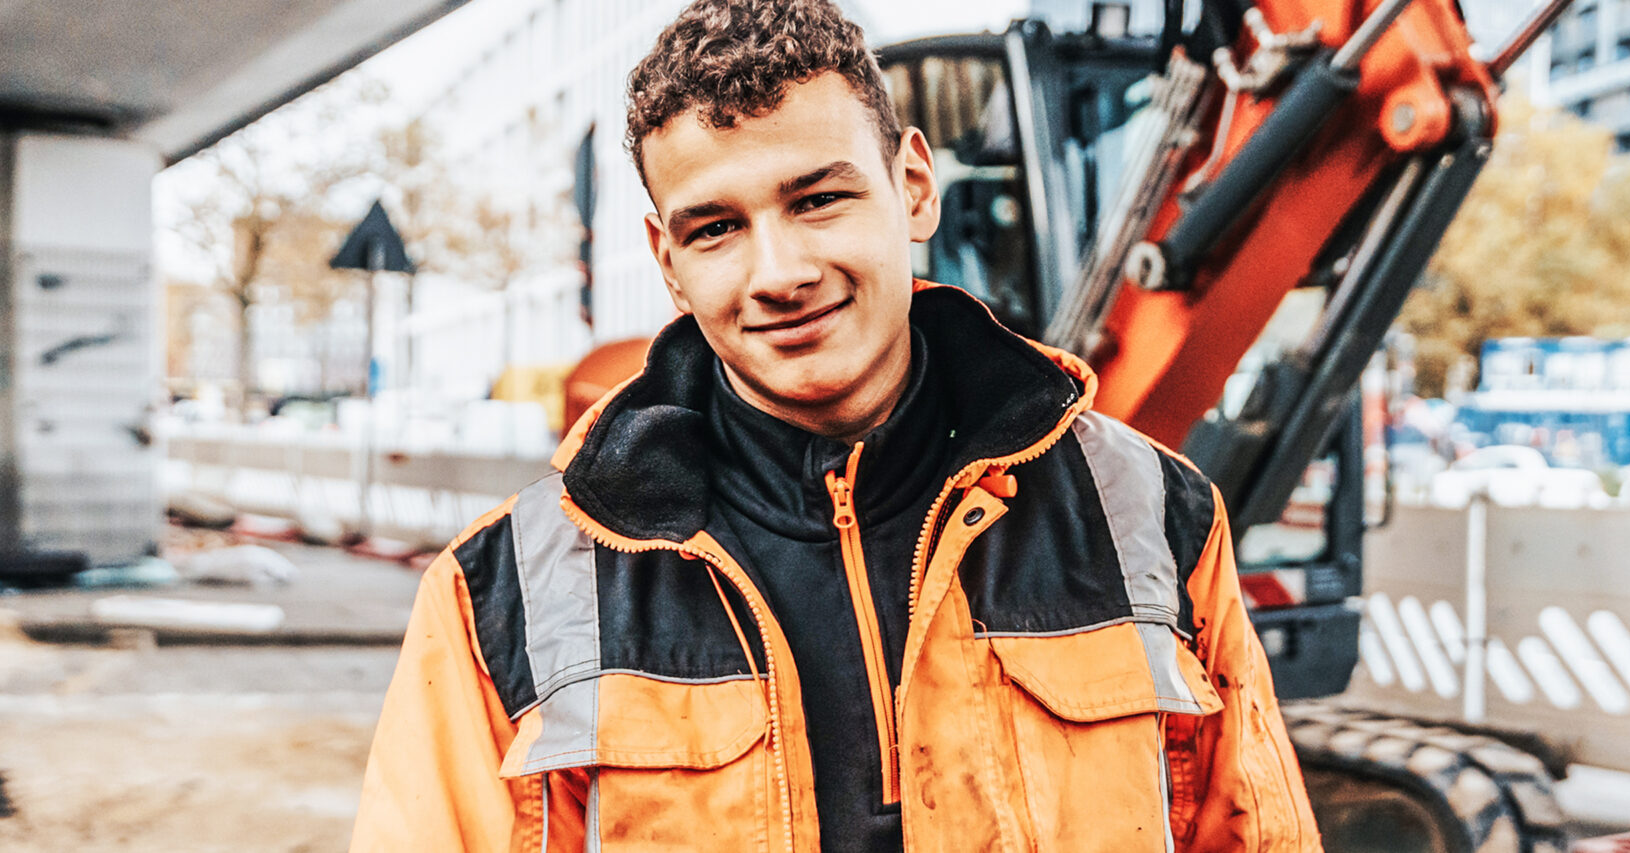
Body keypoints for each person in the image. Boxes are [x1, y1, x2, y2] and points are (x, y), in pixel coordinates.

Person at [349, 0, 1319, 849]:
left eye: (817, 199)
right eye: (716, 227)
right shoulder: (502, 598)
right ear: (667, 259)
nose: (778, 273)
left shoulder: (1153, 517)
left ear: (914, 188)